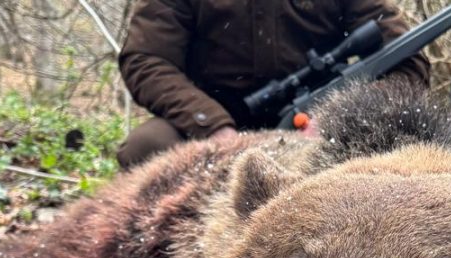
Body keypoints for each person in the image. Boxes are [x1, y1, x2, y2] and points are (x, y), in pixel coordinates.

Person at [116, 0, 430, 169]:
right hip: (213, 120)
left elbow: (407, 62)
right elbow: (145, 59)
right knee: (147, 146)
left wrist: (345, 117)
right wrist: (213, 127)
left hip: (321, 122)